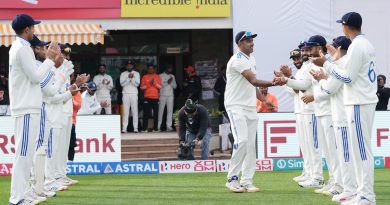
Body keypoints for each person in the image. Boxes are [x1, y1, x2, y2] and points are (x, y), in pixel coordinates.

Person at [311, 12, 378, 205]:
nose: (342, 27)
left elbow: (348, 78)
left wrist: (327, 64)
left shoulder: (358, 45)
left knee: (362, 151)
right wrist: (331, 63)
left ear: (346, 26)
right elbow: (347, 72)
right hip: (359, 100)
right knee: (358, 151)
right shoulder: (363, 44)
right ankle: (360, 192)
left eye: (342, 25)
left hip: (359, 101)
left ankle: (366, 195)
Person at [8, 13, 63, 205]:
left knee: (26, 154)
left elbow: (33, 76)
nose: (35, 30)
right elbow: (35, 77)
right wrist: (49, 60)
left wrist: (48, 61)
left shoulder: (21, 48)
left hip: (28, 107)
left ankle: (24, 194)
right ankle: (17, 198)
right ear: (26, 29)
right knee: (23, 155)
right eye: (33, 27)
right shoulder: (22, 49)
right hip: (25, 108)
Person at [224, 31, 274, 193]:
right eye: (247, 41)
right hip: (235, 105)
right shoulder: (237, 60)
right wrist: (276, 83)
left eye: (252, 40)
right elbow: (253, 80)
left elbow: (252, 86)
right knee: (242, 140)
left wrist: (264, 100)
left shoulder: (251, 59)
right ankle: (232, 179)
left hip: (250, 106)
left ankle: (247, 180)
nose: (251, 43)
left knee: (251, 145)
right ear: (239, 44)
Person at [310, 36, 358, 202]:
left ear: (339, 49)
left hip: (342, 117)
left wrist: (321, 81)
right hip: (341, 116)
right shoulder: (340, 65)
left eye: (332, 48)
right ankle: (348, 188)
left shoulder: (340, 65)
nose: (329, 51)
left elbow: (329, 89)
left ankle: (349, 189)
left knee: (345, 155)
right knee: (344, 154)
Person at [120, 60, 140, 133]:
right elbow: (122, 84)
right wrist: (128, 78)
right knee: (126, 112)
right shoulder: (123, 74)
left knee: (135, 111)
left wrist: (132, 78)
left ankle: (135, 128)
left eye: (130, 65)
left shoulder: (137, 73)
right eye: (128, 65)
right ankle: (124, 128)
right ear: (126, 66)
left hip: (134, 94)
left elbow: (137, 84)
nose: (129, 66)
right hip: (125, 94)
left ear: (132, 66)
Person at [140, 65, 162, 132]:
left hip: (155, 97)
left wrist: (154, 83)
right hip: (147, 97)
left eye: (152, 69)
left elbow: (160, 86)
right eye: (149, 69)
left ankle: (155, 128)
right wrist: (149, 84)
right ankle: (144, 129)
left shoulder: (157, 76)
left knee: (156, 113)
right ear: (147, 70)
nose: (150, 70)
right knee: (146, 113)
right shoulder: (144, 77)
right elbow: (141, 87)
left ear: (154, 70)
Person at [158, 65, 177, 131]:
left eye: (171, 68)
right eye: (169, 68)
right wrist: (167, 82)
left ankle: (168, 126)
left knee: (170, 111)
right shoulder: (160, 75)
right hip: (162, 95)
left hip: (170, 95)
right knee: (161, 111)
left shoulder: (172, 76)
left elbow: (175, 86)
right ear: (166, 69)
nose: (170, 70)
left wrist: (171, 82)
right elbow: (160, 85)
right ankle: (158, 126)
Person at [69, 73, 82, 161]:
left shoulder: (76, 91)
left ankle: (70, 163)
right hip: (58, 120)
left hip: (71, 121)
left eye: (70, 76)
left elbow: (78, 106)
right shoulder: (58, 86)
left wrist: (71, 99)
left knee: (71, 144)